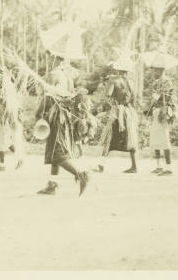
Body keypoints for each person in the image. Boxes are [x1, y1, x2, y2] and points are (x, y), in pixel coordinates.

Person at [35, 52, 92, 196]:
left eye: (49, 56)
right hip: (64, 118)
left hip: (56, 118)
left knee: (57, 154)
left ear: (55, 58)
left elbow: (47, 98)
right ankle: (52, 184)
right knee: (56, 151)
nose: (46, 59)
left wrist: (38, 112)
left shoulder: (53, 75)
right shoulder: (67, 76)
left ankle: (81, 175)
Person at [95, 53, 139, 174]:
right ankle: (134, 166)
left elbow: (108, 95)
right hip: (128, 112)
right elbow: (134, 99)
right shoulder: (131, 82)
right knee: (130, 138)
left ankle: (101, 165)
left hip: (118, 111)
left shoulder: (114, 80)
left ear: (118, 68)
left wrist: (109, 105)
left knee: (109, 136)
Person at [144, 67, 178, 176]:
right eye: (153, 70)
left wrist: (161, 96)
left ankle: (168, 168)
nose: (154, 72)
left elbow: (169, 97)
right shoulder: (156, 82)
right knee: (155, 139)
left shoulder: (167, 81)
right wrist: (148, 108)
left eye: (156, 71)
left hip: (163, 113)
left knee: (164, 139)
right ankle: (159, 166)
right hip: (156, 111)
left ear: (161, 70)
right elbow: (153, 98)